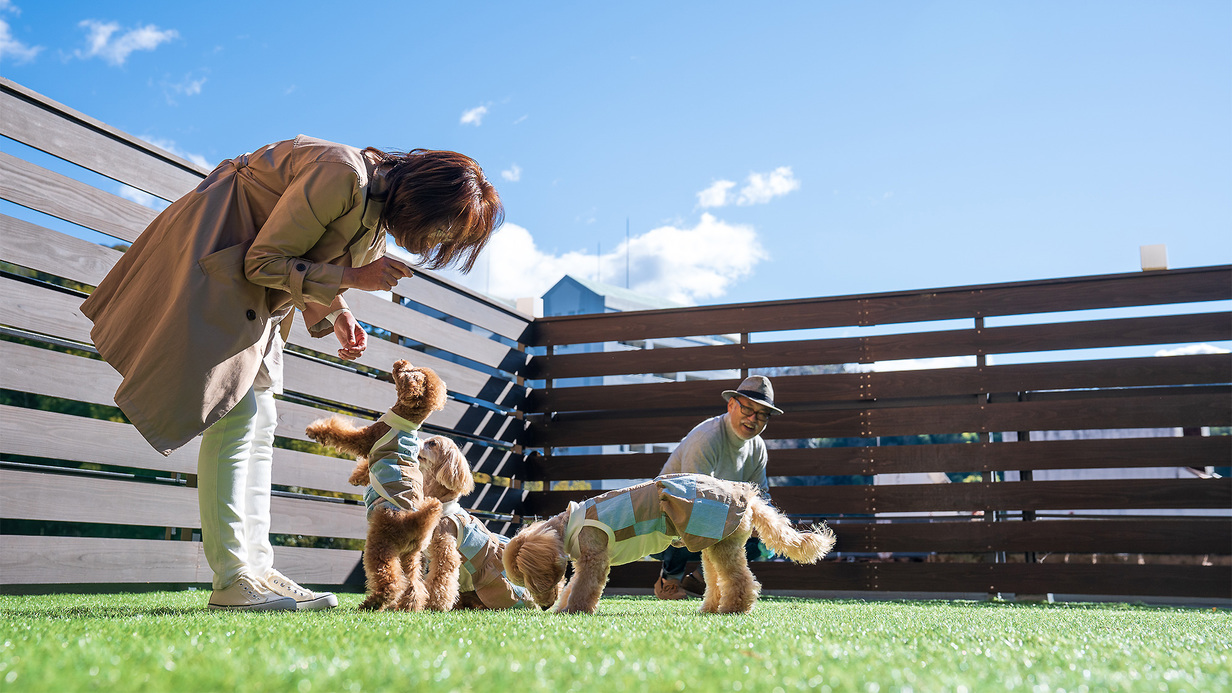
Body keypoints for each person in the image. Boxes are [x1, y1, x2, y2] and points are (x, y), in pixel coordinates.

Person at [81, 135, 502, 611]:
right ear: (425, 198)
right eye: (442, 229)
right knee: (235, 421)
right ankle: (233, 577)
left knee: (260, 424)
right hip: (217, 271)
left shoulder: (373, 214)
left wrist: (338, 309)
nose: (436, 243)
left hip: (257, 305)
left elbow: (309, 258)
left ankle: (256, 568)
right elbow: (262, 261)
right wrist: (354, 280)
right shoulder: (342, 172)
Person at [652, 375, 782, 600]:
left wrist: (769, 531)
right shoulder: (707, 437)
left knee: (758, 540)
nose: (753, 418)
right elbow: (692, 497)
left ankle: (700, 580)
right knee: (683, 514)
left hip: (718, 517)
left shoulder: (758, 448)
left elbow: (761, 496)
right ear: (731, 405)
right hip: (663, 522)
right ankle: (669, 580)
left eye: (762, 414)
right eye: (747, 409)